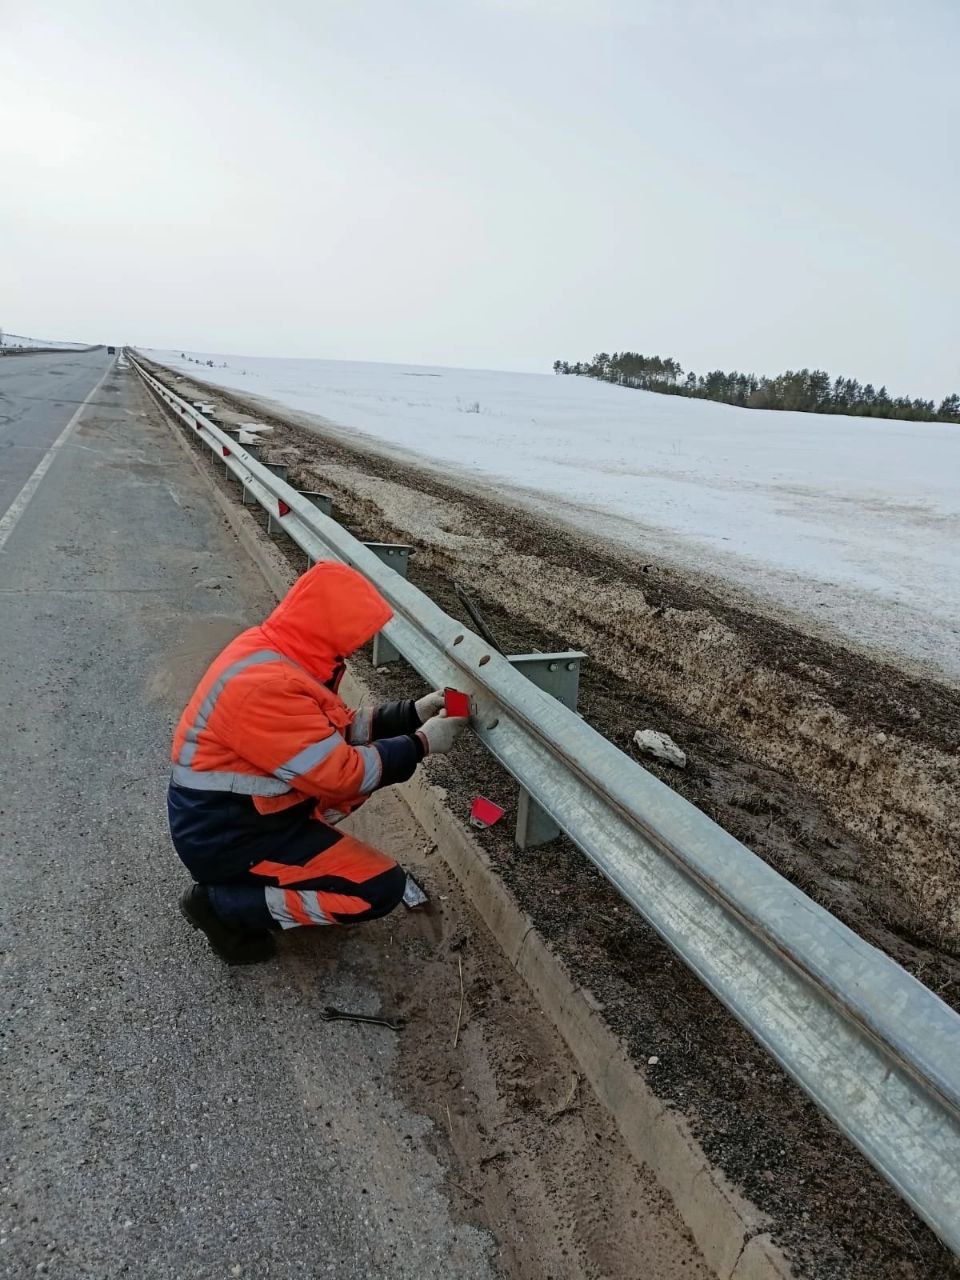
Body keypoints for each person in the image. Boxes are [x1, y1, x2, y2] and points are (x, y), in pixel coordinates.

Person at [167, 560, 468, 965]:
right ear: (331, 625)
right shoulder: (266, 687)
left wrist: (412, 712)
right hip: (229, 839)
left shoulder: (280, 653)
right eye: (354, 635)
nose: (356, 646)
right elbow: (343, 774)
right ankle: (223, 904)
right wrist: (422, 744)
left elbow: (331, 730)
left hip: (242, 817)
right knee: (378, 889)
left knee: (352, 786)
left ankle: (270, 876)